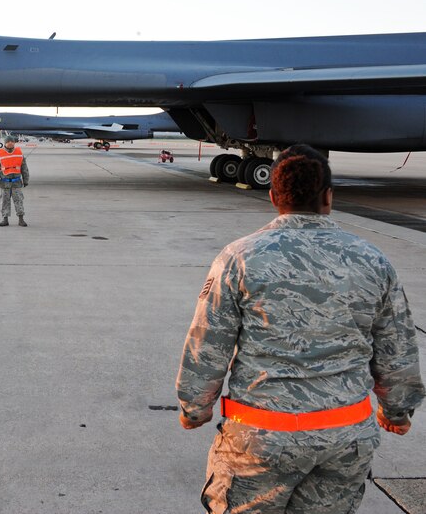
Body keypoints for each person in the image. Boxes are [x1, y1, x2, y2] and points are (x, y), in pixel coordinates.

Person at [176, 144, 425, 514]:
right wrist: (397, 411)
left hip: (261, 439)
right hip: (345, 439)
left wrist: (194, 406)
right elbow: (397, 347)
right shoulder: (373, 260)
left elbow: (209, 341)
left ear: (274, 196)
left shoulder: (239, 257)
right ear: (329, 196)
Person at [0, 135, 29, 226]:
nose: (10, 143)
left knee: (19, 201)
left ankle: (21, 219)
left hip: (16, 183)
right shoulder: (0, 153)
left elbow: (24, 168)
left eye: (12, 141)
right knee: (5, 201)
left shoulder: (19, 153)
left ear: (14, 143)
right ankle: (5, 219)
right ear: (5, 143)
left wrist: (26, 180)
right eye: (8, 141)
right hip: (4, 183)